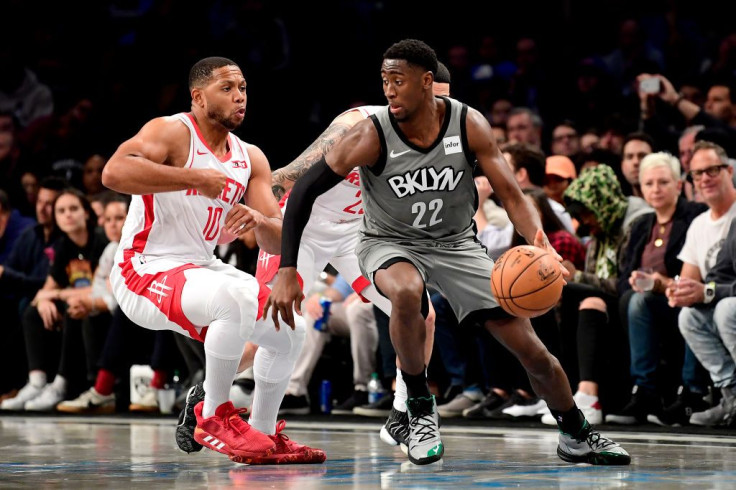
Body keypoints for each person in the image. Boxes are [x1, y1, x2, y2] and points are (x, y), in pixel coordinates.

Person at [266, 39, 630, 466]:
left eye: (398, 81)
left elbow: (512, 193)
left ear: (426, 83)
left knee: (533, 351)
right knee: (406, 292)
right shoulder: (370, 133)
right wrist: (288, 267)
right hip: (389, 241)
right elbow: (305, 189)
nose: (389, 91)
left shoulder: (468, 123)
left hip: (457, 245)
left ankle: (576, 433)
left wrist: (538, 239)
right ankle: (418, 408)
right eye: (384, 81)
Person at [102, 56, 324, 464]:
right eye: (228, 89)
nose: (240, 97)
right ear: (198, 97)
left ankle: (262, 435)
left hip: (198, 266)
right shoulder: (171, 132)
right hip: (143, 268)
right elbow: (113, 173)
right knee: (234, 299)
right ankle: (212, 413)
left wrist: (259, 218)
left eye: (243, 89)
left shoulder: (250, 157)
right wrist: (194, 178)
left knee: (290, 323)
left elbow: (277, 241)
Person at [606, 152, 708, 425]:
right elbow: (622, 275)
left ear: (677, 185)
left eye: (663, 182)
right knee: (633, 299)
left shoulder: (695, 216)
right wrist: (633, 281)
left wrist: (665, 282)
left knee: (642, 302)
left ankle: (683, 392)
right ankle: (644, 393)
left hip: (682, 297)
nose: (656, 189)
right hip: (651, 306)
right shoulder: (641, 225)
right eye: (649, 183)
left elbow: (701, 266)